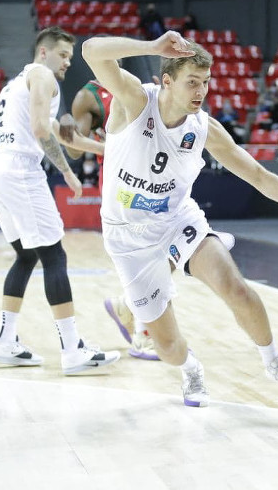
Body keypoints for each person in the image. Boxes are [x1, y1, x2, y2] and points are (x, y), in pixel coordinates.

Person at [81, 30, 278, 408]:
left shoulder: (203, 127)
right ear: (167, 81)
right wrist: (151, 47)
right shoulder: (134, 100)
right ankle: (190, 367)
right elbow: (91, 50)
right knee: (167, 346)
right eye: (192, 82)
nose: (201, 91)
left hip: (178, 220)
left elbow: (256, 174)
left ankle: (275, 361)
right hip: (128, 237)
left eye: (205, 82)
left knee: (234, 287)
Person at [0, 27, 120, 374]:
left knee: (27, 255)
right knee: (55, 255)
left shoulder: (17, 84)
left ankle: (5, 341)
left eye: (70, 56)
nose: (68, 62)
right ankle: (72, 350)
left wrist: (107, 149)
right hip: (19, 171)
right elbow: (42, 131)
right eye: (63, 55)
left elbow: (60, 133)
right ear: (43, 53)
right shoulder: (42, 76)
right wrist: (67, 171)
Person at [64, 77, 161, 360]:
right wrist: (69, 125)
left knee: (165, 253)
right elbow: (73, 150)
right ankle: (143, 334)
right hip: (120, 181)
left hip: (153, 177)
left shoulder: (140, 87)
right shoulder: (89, 95)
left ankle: (128, 305)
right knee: (143, 254)